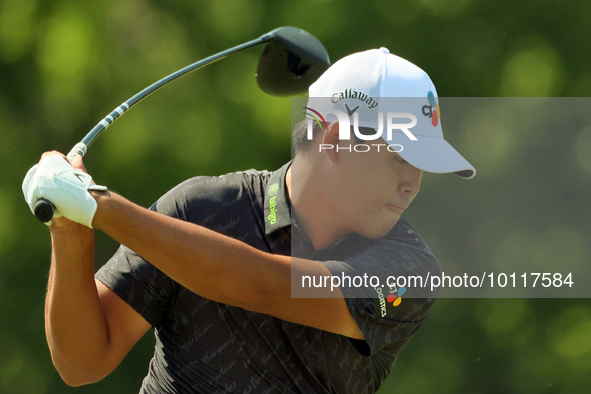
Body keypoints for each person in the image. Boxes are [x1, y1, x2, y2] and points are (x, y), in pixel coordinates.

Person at [23, 47, 475, 393]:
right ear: (337, 142)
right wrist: (69, 227)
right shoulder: (202, 209)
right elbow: (81, 363)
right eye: (401, 157)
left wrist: (98, 205)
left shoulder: (408, 270)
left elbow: (264, 284)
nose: (413, 184)